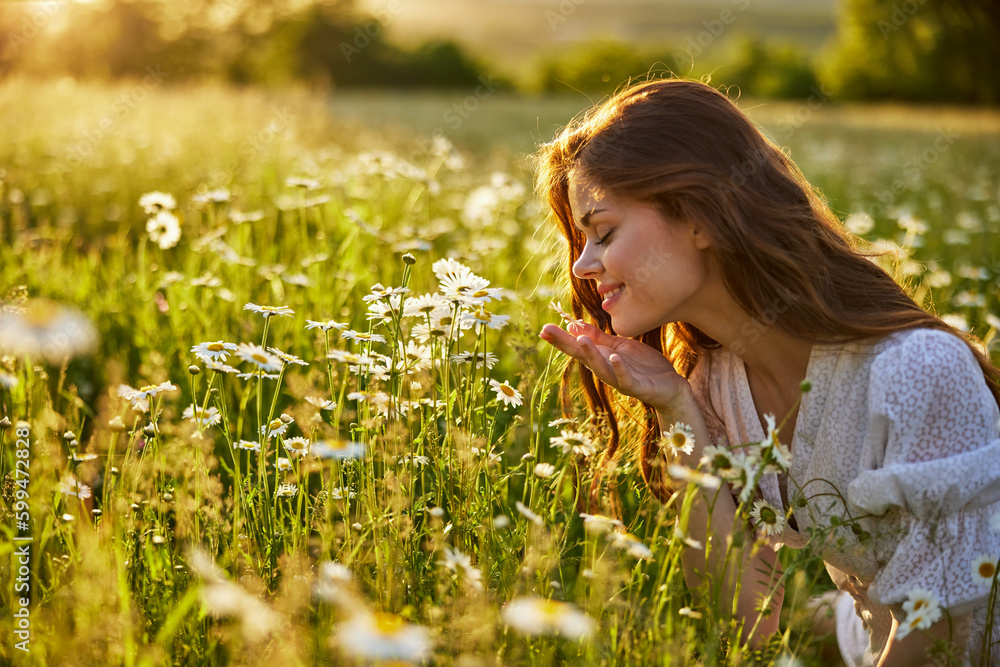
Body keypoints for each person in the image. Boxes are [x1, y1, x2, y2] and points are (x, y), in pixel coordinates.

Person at [534, 78, 1000, 666]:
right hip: (876, 645)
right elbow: (747, 621)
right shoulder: (718, 383)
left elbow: (937, 613)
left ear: (701, 217)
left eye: (603, 232)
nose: (583, 263)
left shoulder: (914, 369)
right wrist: (677, 408)